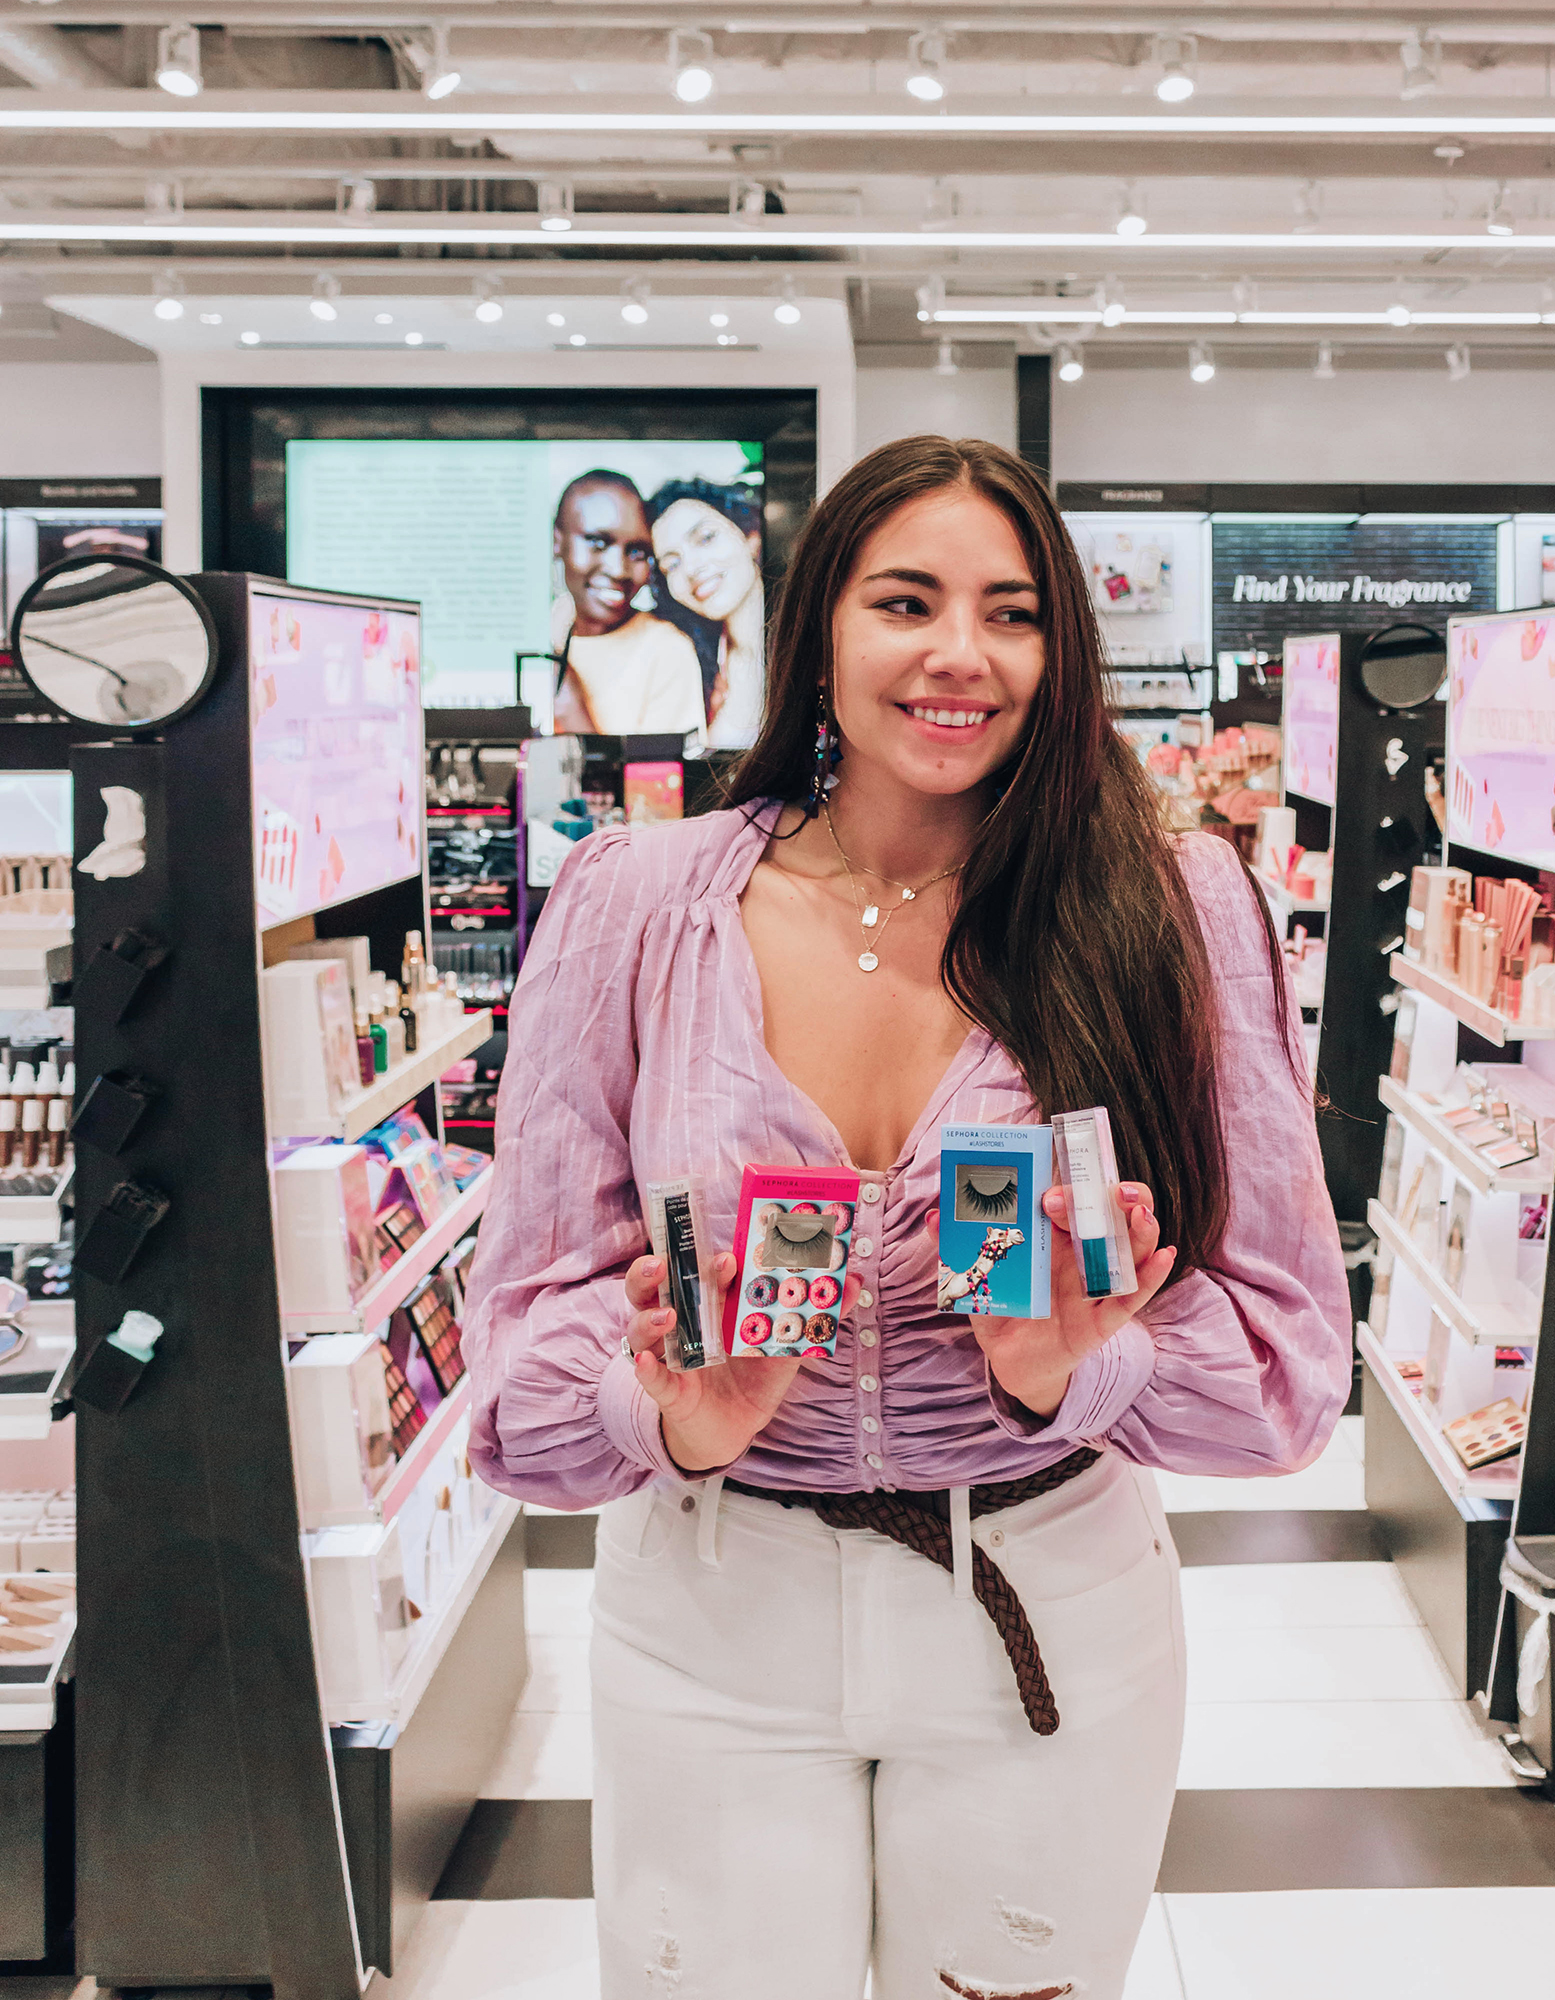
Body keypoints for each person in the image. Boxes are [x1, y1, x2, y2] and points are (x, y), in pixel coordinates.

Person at [465, 435, 1348, 2000]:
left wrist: (1080, 1368)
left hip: (1047, 1603)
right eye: (907, 601)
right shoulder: (638, 902)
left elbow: (1286, 1361)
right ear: (819, 632)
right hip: (713, 1603)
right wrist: (664, 1406)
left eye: (1012, 612)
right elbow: (528, 1342)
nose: (961, 656)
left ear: (1061, 649)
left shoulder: (1169, 902)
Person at [550, 470, 707, 744]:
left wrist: (571, 706)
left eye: (637, 552)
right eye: (598, 543)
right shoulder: (549, 624)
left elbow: (657, 783)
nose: (618, 569)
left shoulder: (666, 650)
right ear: (557, 541)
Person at [649, 476, 766, 747]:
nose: (691, 568)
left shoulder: (811, 644)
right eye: (672, 564)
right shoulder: (701, 665)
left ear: (750, 535)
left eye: (705, 538)